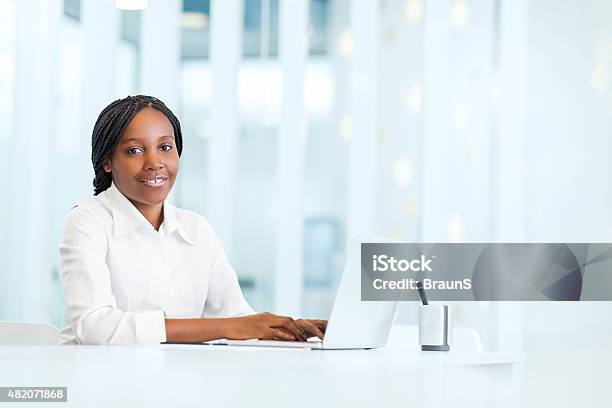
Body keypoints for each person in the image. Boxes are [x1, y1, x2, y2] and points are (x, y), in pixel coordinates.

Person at [59, 95, 326, 345]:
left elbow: (237, 318)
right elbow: (94, 326)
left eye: (165, 147)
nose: (154, 162)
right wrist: (228, 327)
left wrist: (287, 331)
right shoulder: (87, 221)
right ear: (107, 161)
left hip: (178, 384)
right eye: (134, 151)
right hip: (98, 385)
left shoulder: (196, 229)